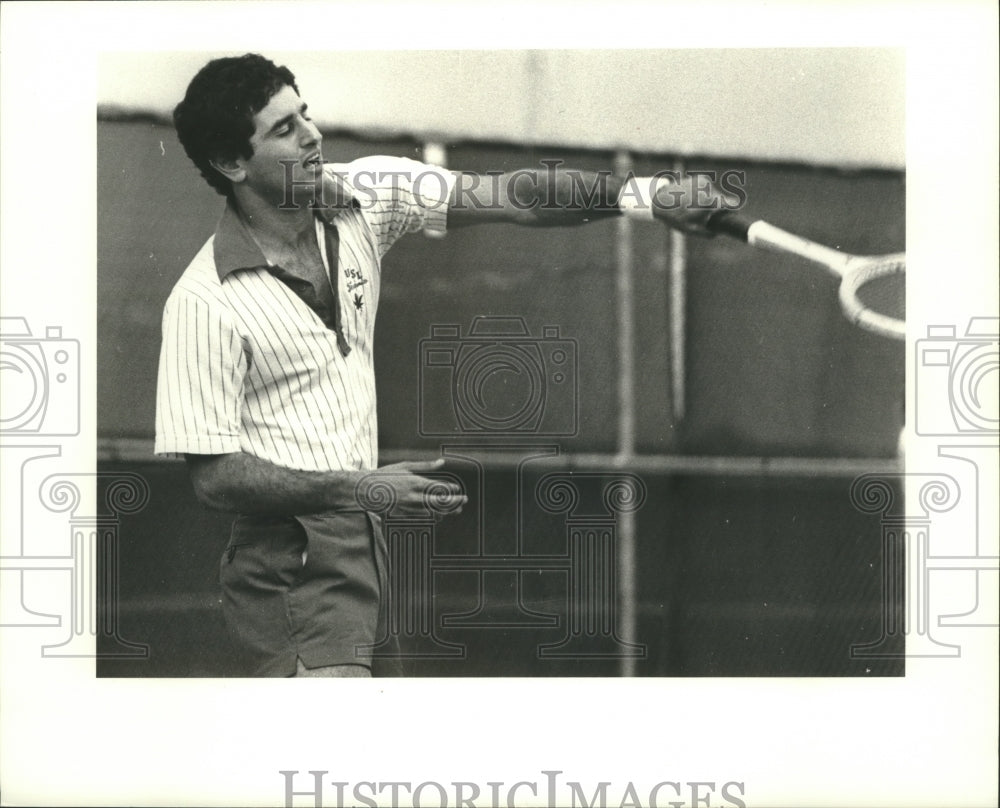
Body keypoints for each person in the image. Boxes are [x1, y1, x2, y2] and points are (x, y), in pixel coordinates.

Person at [155, 53, 736, 677]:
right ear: (231, 163)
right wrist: (363, 488)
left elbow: (515, 195)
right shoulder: (202, 302)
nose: (312, 134)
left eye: (305, 113)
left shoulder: (367, 196)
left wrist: (648, 197)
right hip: (287, 560)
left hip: (367, 542)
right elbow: (214, 479)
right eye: (283, 129)